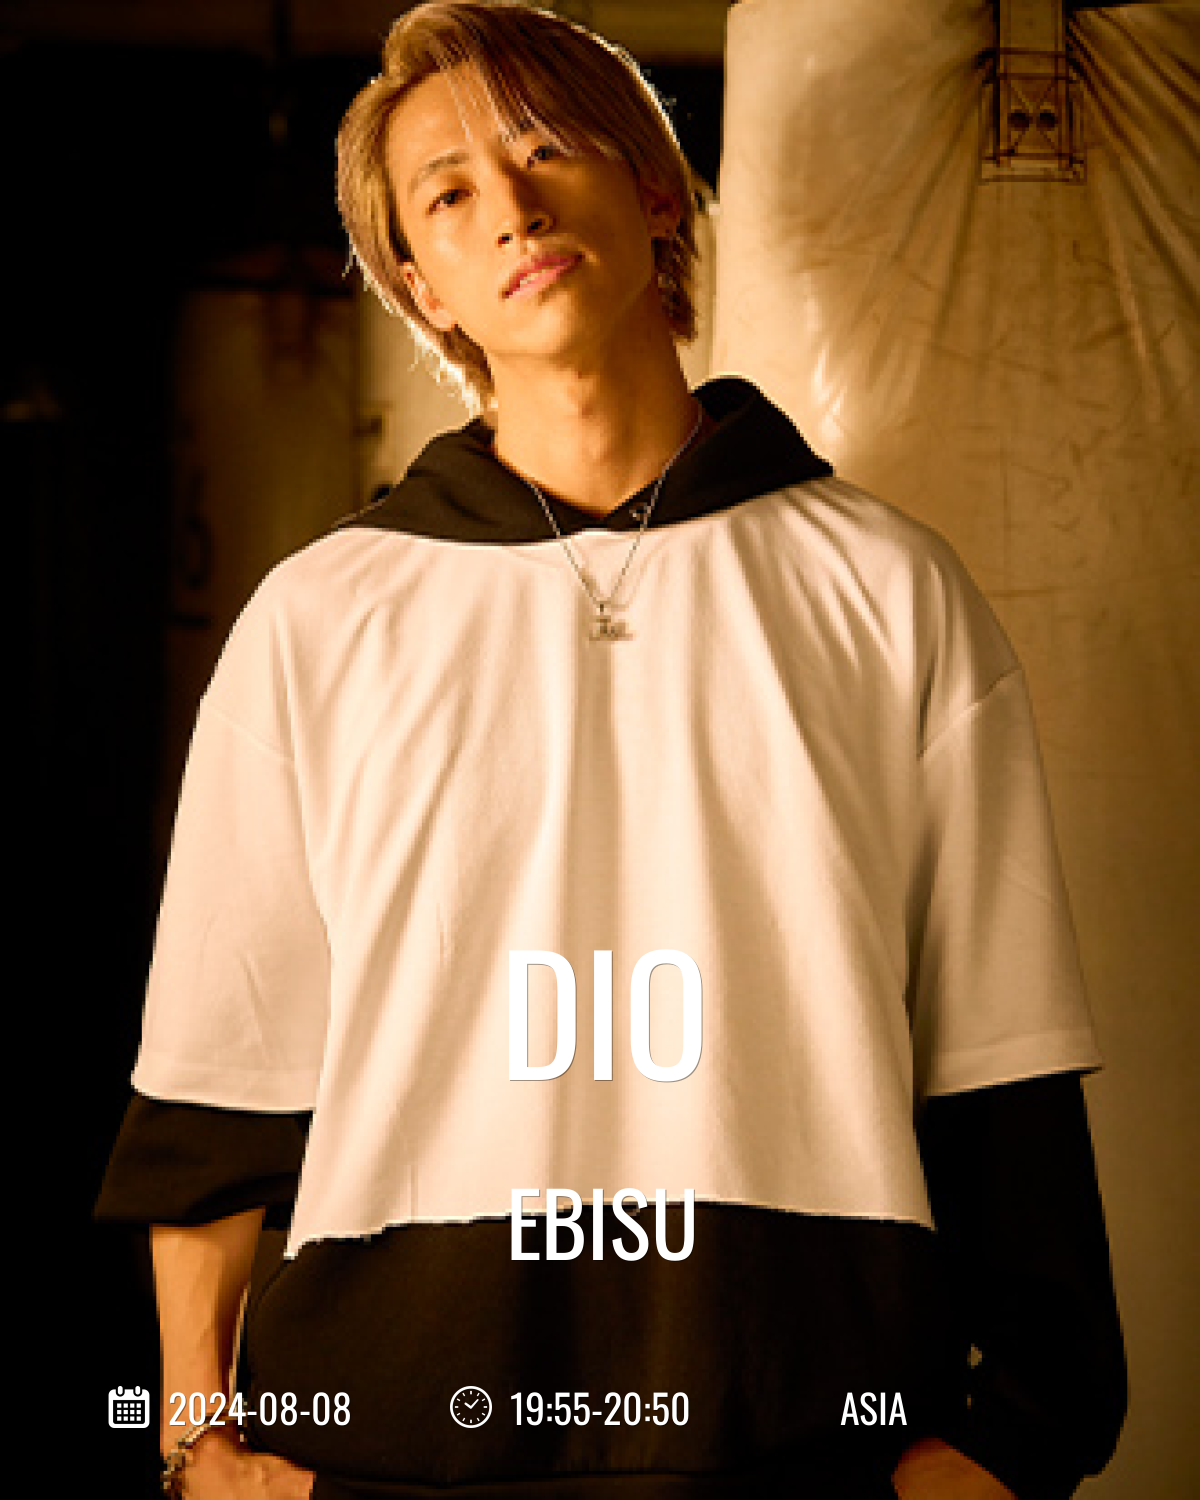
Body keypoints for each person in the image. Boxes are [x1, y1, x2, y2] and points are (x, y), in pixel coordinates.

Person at [96, 4, 1127, 1497]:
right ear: (421, 286)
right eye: (449, 192)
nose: (509, 208)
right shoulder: (316, 622)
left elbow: (1003, 1072)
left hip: (791, 1450)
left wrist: (1008, 1445)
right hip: (385, 1454)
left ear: (651, 188)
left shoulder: (890, 589)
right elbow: (215, 1091)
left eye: (545, 147)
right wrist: (200, 1453)